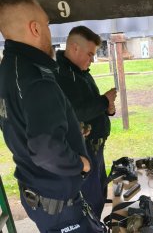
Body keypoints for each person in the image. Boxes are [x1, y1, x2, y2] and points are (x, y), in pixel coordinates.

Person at [0, 0, 102, 232]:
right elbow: (45, 150)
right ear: (35, 28)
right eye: (46, 24)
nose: (49, 30)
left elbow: (25, 128)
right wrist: (81, 163)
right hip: (58, 204)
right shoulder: (36, 80)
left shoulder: (8, 70)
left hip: (40, 194)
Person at [55, 26, 117, 218]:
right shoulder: (60, 75)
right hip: (82, 151)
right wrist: (104, 100)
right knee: (89, 202)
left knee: (99, 193)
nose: (92, 59)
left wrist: (107, 109)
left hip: (96, 148)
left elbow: (88, 105)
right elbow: (74, 113)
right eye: (90, 54)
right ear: (74, 48)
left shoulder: (80, 71)